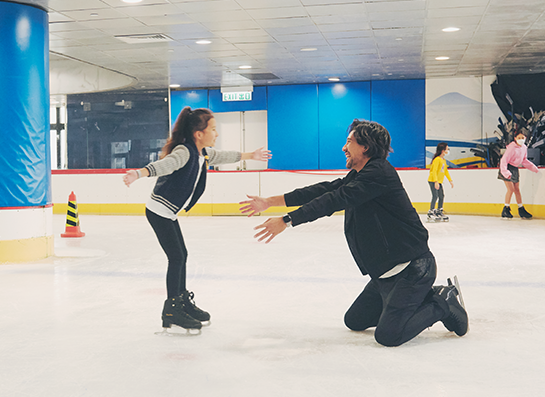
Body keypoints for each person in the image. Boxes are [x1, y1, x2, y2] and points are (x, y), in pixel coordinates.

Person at [238, 119, 467, 347]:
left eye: (349, 142)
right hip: (385, 275)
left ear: (365, 146)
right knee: (355, 321)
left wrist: (287, 220)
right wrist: (270, 201)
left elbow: (334, 200)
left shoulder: (378, 173)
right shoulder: (360, 175)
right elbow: (324, 190)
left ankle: (443, 301)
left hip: (413, 269)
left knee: (389, 335)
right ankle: (420, 298)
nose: (343, 148)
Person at [124, 107, 271, 334]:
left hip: (167, 212)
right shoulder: (184, 151)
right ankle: (172, 309)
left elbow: (223, 155)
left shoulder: (203, 153)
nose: (216, 133)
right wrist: (139, 173)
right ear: (198, 133)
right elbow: (166, 165)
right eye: (213, 129)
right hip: (159, 211)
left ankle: (181, 302)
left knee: (181, 255)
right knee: (177, 257)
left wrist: (249, 155)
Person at [497, 131, 539, 219]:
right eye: (519, 138)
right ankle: (506, 209)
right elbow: (504, 160)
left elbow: (524, 160)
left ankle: (521, 209)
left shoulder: (524, 148)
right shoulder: (511, 148)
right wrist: (505, 172)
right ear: (515, 138)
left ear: (525, 139)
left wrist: (533, 168)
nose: (521, 140)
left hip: (515, 169)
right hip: (507, 168)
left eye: (523, 138)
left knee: (517, 190)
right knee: (511, 189)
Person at [426, 142, 453, 222]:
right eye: (447, 149)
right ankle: (431, 212)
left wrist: (450, 180)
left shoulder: (443, 160)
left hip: (439, 181)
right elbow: (433, 171)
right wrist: (435, 181)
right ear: (442, 150)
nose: (448, 150)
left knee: (441, 196)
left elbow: (445, 171)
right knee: (435, 196)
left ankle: (439, 211)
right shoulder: (437, 160)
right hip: (433, 181)